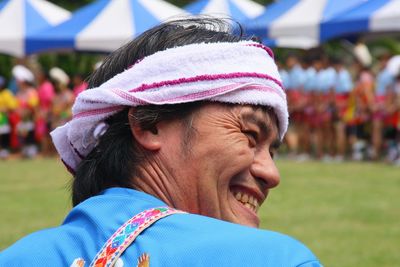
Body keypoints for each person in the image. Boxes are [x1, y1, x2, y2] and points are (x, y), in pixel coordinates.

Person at [0, 19, 322, 267]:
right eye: (250, 135)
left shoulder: (18, 258)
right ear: (149, 124)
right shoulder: (276, 259)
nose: (271, 173)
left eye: (272, 150)